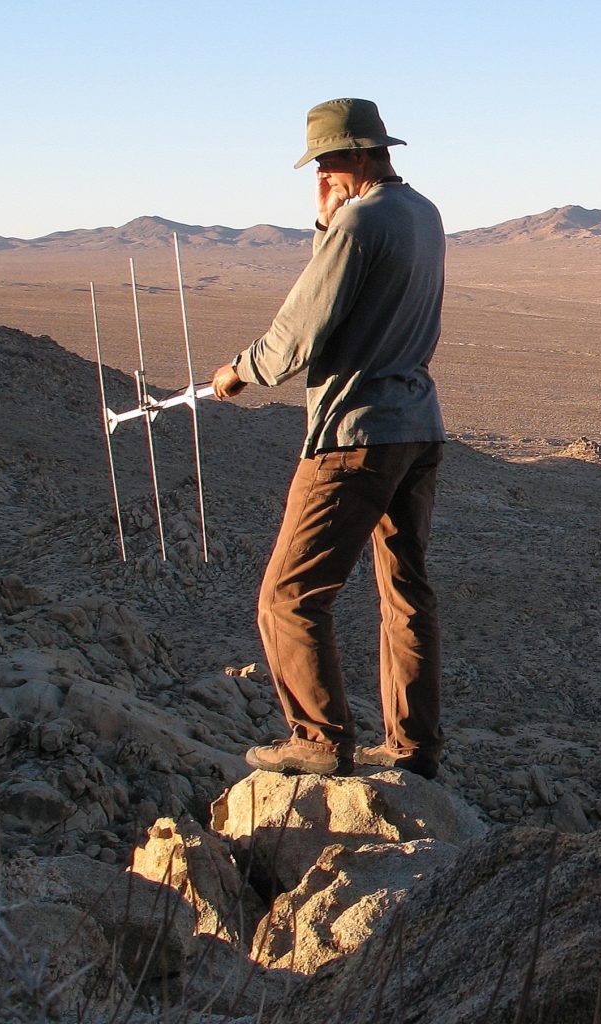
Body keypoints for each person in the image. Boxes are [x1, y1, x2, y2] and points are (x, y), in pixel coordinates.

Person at [212, 97, 446, 779]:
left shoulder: (362, 221)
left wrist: (239, 373)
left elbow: (298, 332)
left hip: (354, 435)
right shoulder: (421, 213)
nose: (322, 172)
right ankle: (415, 751)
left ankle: (317, 740)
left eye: (327, 160)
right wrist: (326, 220)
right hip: (417, 428)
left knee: (289, 595)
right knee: (405, 594)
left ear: (356, 156)